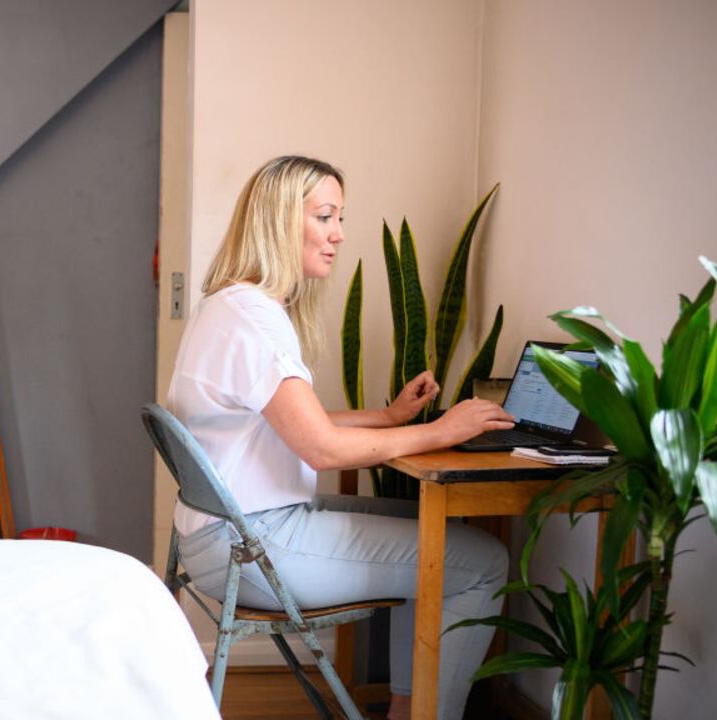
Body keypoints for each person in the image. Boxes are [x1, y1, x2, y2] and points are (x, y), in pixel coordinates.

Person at [168, 156, 515, 720]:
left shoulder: (227, 305)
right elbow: (323, 449)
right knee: (483, 563)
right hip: (255, 545)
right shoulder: (255, 319)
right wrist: (441, 431)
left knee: (428, 524)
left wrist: (389, 417)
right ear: (281, 221)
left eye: (340, 218)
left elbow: (295, 423)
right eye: (325, 216)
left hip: (220, 539)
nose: (338, 234)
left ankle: (406, 705)